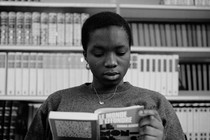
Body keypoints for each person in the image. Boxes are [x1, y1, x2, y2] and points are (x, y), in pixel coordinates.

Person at [24, 11, 185, 140]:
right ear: (86, 55)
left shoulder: (156, 103)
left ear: (130, 53)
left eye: (120, 52)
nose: (111, 62)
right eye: (99, 53)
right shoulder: (56, 102)